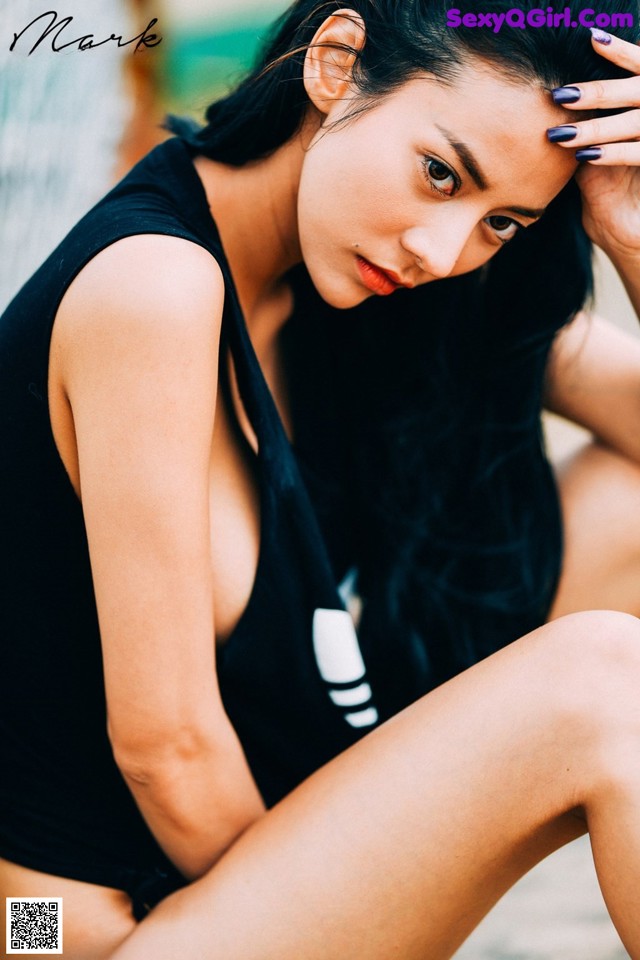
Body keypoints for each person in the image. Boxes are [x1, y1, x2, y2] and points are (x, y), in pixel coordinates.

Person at [3, 0, 640, 956]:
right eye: (440, 173)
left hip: (244, 873)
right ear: (337, 64)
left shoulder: (385, 272)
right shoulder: (154, 287)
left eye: (502, 221)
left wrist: (629, 242)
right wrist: (362, 889)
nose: (444, 250)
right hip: (73, 929)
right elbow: (164, 752)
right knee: (601, 681)